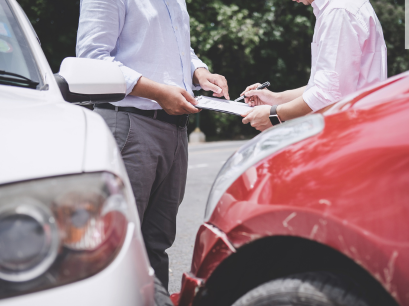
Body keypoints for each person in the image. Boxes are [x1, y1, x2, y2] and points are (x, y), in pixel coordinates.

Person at [76, 0, 229, 290]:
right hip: (130, 125)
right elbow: (92, 58)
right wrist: (157, 92)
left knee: (156, 243)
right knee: (119, 244)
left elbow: (177, 51)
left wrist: (200, 72)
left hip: (174, 130)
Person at [242, 0, 387, 131]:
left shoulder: (338, 11)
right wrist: (275, 98)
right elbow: (329, 87)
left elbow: (327, 94)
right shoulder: (338, 8)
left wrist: (274, 114)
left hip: (352, 131)